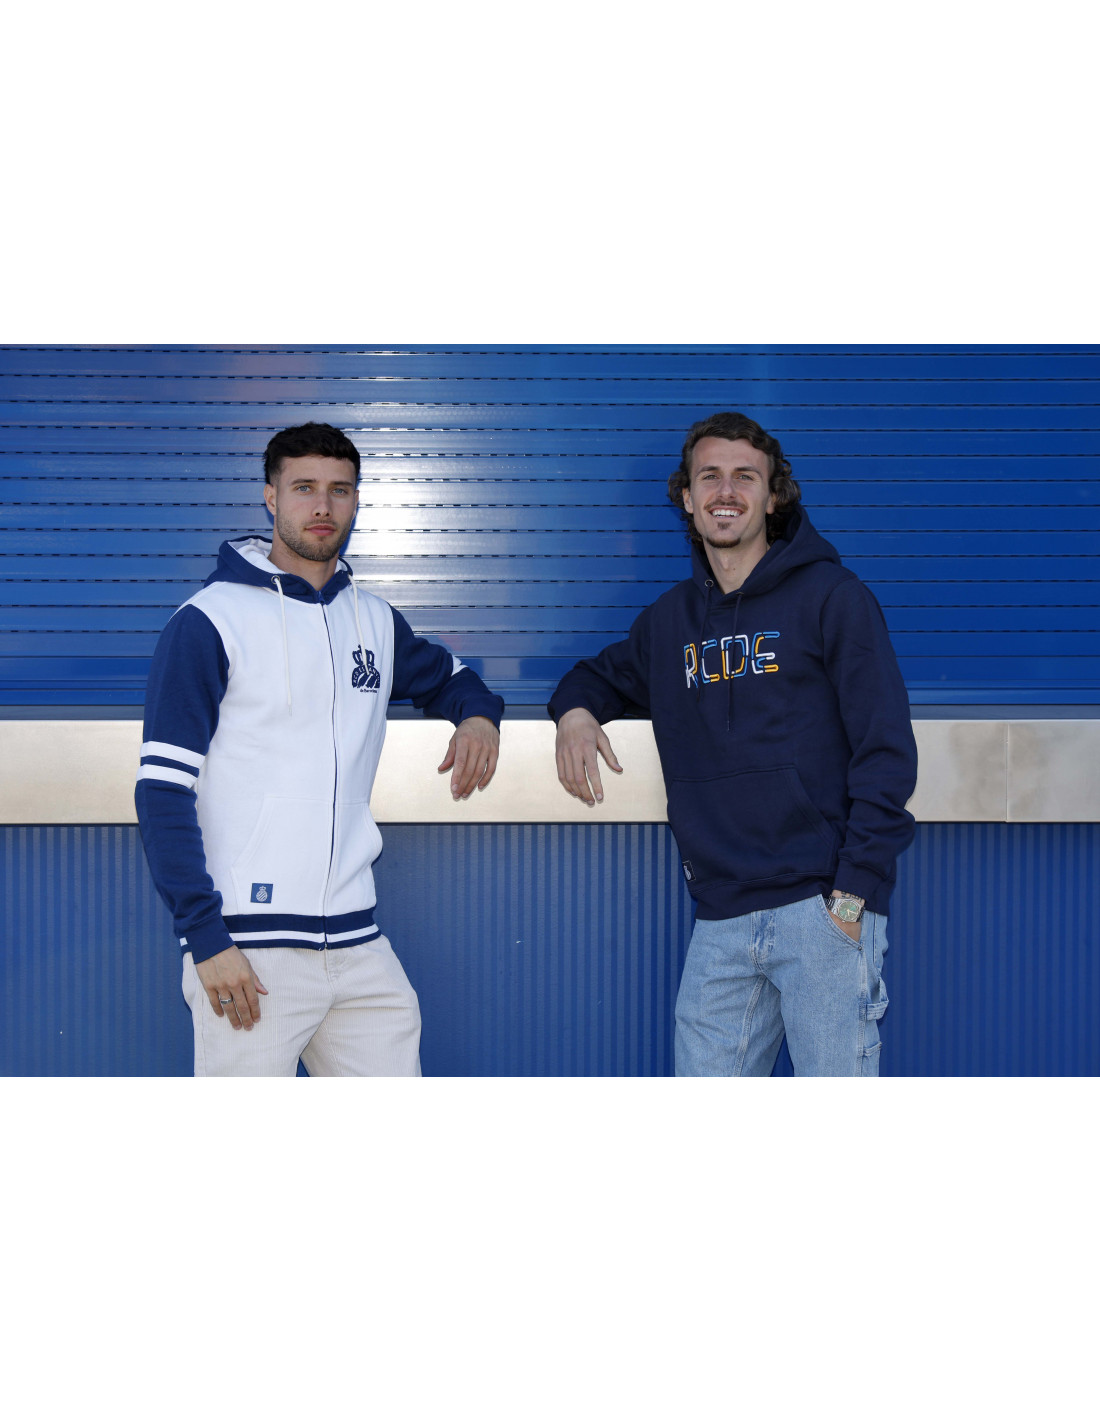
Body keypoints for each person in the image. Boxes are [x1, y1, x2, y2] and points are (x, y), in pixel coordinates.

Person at [549, 411, 918, 1077]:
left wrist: (851, 896)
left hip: (821, 910)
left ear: (773, 496)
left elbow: (885, 750)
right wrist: (575, 714)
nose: (726, 491)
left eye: (745, 477)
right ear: (687, 498)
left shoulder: (833, 598)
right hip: (721, 918)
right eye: (709, 477)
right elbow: (592, 676)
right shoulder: (669, 623)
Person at [136, 422, 504, 1076]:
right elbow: (162, 790)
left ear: (357, 501)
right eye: (304, 487)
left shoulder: (374, 620)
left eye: (340, 490)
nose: (323, 505)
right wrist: (206, 937)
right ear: (271, 497)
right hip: (248, 949)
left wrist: (477, 717)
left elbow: (451, 678)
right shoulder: (209, 621)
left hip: (358, 945)